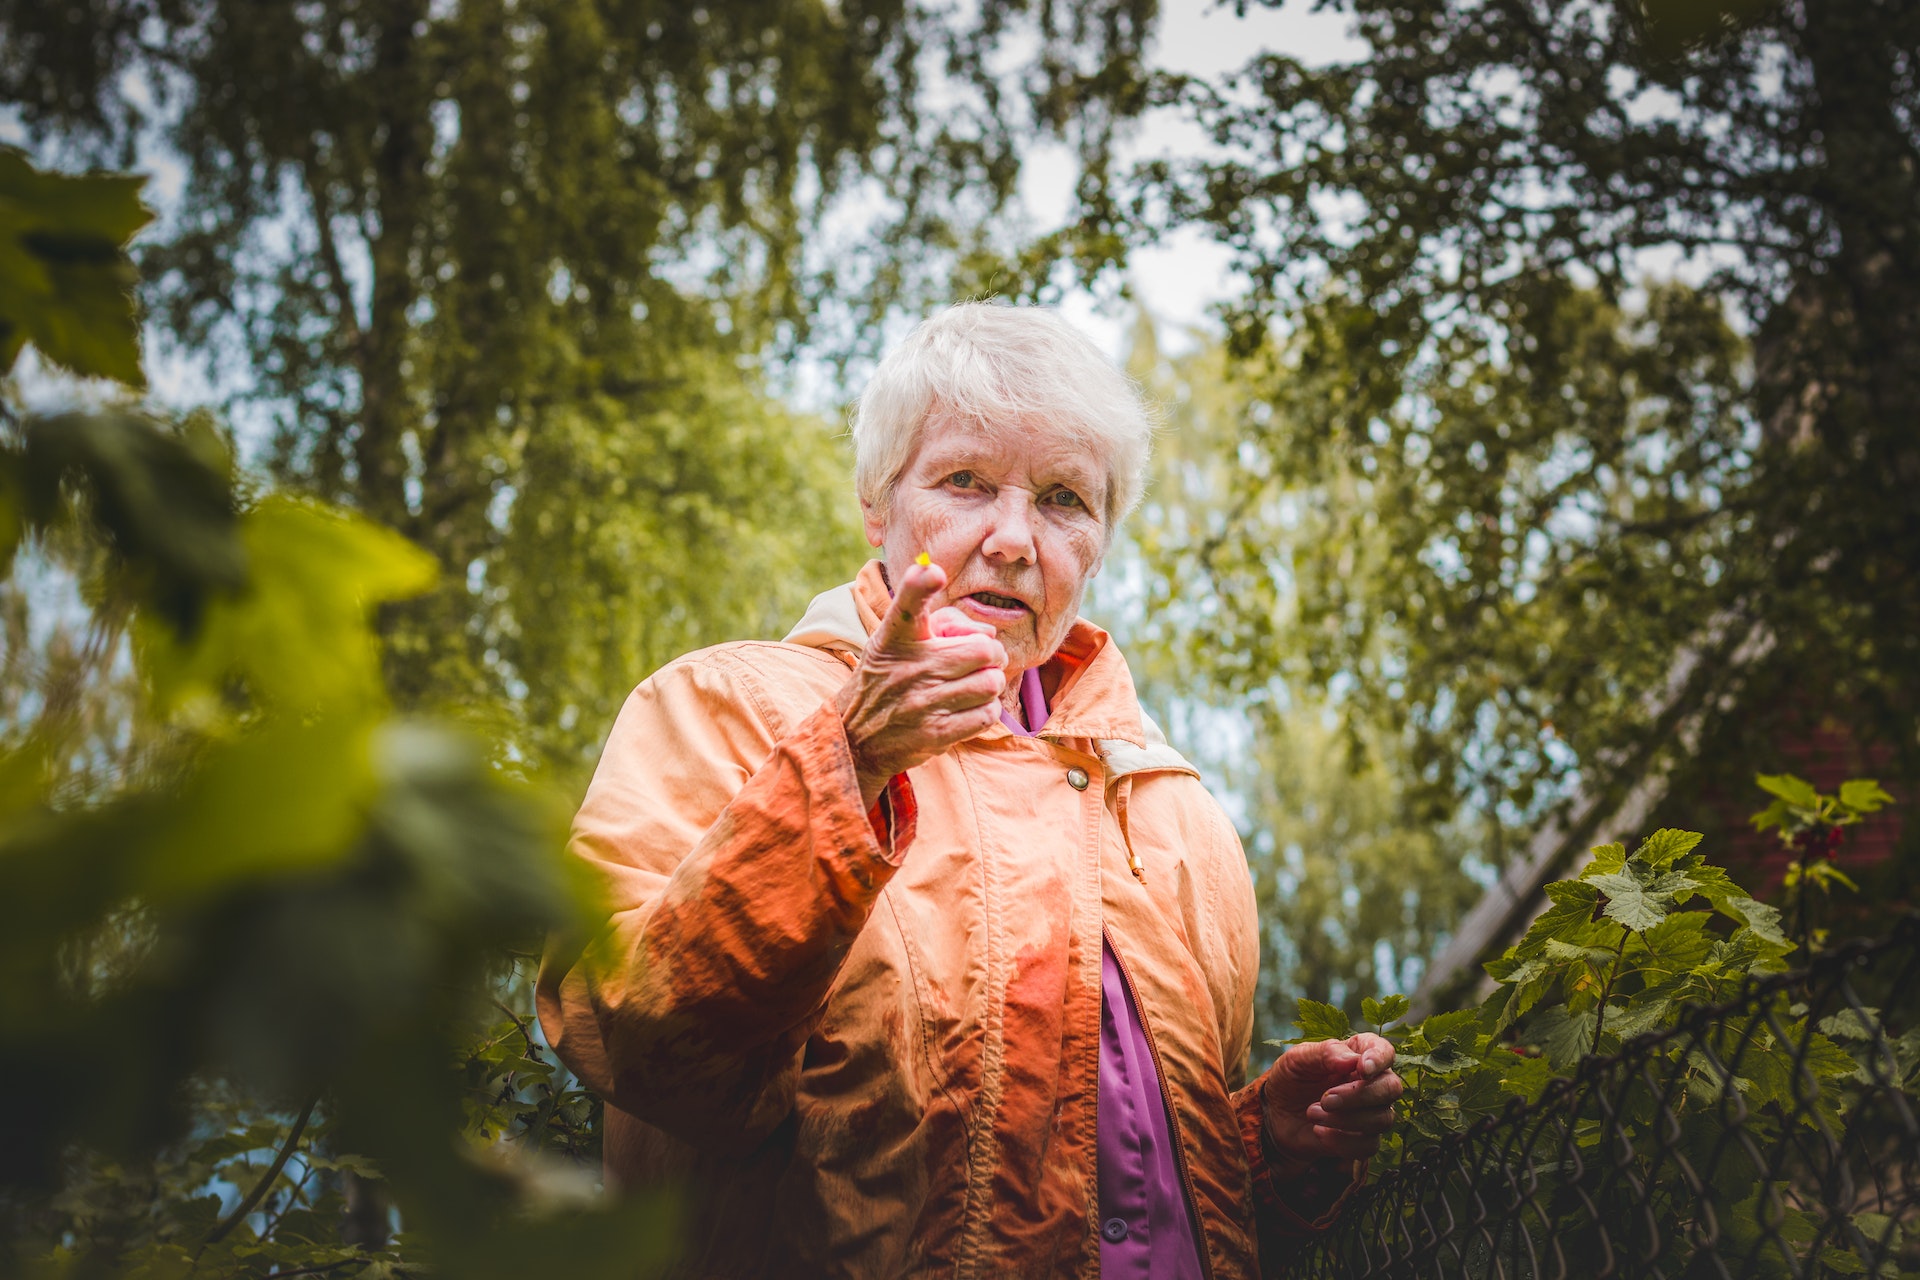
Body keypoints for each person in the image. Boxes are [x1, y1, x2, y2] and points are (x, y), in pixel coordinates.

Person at [537, 303, 1403, 1278]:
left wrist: (1267, 1146)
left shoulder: (1177, 815)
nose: (1013, 538)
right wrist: (848, 762)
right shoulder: (726, 708)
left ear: (1100, 542)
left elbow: (1137, 1194)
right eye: (965, 481)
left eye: (1065, 499)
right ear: (879, 504)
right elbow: (631, 1036)